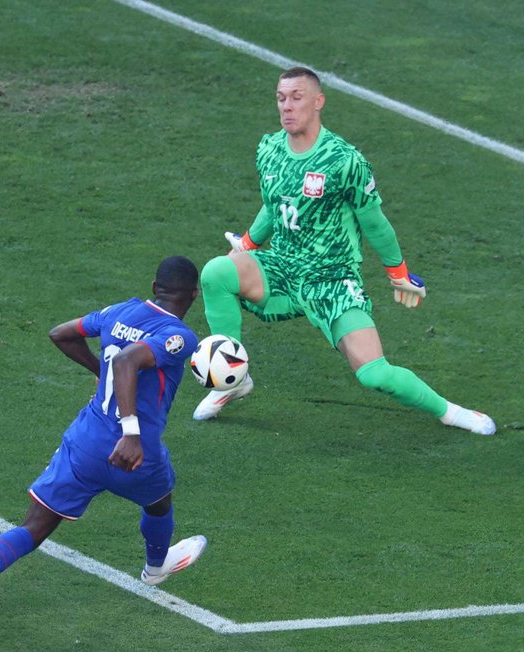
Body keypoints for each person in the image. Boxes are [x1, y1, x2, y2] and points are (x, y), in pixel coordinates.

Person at [0, 256, 208, 650]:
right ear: (193, 295)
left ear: (155, 286)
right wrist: (131, 433)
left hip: (85, 443)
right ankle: (155, 568)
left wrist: (98, 372)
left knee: (34, 527)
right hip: (136, 454)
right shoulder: (180, 335)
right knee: (159, 503)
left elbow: (60, 334)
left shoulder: (117, 311)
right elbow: (125, 361)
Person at [195, 66, 495, 435]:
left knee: (374, 374)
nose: (287, 106)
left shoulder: (344, 161)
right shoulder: (269, 149)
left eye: (297, 97)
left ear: (318, 102)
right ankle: (234, 380)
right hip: (283, 268)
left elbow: (374, 222)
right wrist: (248, 245)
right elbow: (274, 205)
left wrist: (398, 273)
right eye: (281, 98)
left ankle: (451, 412)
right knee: (215, 273)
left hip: (332, 280)